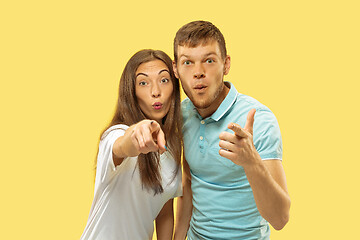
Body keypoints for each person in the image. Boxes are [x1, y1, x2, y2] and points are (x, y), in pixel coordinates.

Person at [172, 21, 291, 239]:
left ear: (226, 65)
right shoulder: (183, 114)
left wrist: (251, 161)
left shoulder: (258, 120)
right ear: (175, 69)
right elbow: (188, 182)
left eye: (209, 60)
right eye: (187, 62)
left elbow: (280, 218)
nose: (198, 72)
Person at [80, 49, 183, 240]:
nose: (155, 91)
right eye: (143, 83)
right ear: (131, 91)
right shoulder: (114, 135)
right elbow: (122, 145)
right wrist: (138, 132)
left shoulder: (174, 144)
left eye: (164, 80)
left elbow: (164, 209)